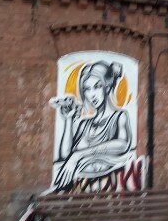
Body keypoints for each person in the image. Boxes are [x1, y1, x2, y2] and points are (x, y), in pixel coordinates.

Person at [52, 60, 133, 190]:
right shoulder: (85, 124)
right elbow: (65, 155)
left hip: (108, 189)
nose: (92, 95)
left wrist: (79, 155)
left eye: (97, 86)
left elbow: (123, 144)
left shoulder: (119, 116)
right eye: (87, 89)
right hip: (79, 190)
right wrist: (68, 119)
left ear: (107, 87)